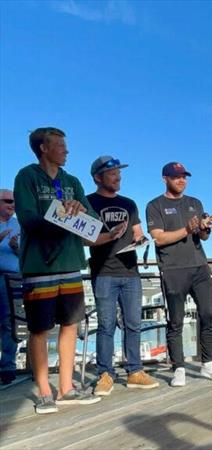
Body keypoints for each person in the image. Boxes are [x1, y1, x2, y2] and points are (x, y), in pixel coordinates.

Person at [14, 127, 102, 413]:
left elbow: (91, 219)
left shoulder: (72, 181)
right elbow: (28, 220)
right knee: (39, 329)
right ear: (43, 148)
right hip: (38, 266)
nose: (66, 150)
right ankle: (43, 391)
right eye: (61, 145)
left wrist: (77, 209)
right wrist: (60, 212)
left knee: (70, 324)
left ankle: (66, 388)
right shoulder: (26, 176)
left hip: (71, 262)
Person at [146, 162, 212, 387]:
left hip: (200, 266)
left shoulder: (195, 203)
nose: (182, 180)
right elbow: (159, 238)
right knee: (176, 321)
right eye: (176, 176)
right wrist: (186, 230)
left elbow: (204, 237)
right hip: (172, 268)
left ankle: (208, 363)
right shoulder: (155, 205)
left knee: (208, 314)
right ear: (165, 179)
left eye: (184, 177)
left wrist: (204, 227)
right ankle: (178, 367)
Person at [86, 156, 160, 396]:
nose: (118, 177)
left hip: (130, 272)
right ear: (98, 177)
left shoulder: (129, 203)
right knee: (106, 325)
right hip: (104, 272)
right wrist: (111, 236)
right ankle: (105, 374)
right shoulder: (88, 202)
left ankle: (135, 371)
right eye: (112, 173)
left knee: (134, 324)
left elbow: (138, 232)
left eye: (119, 173)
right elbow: (85, 239)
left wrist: (141, 240)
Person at [0, 188, 20, 385]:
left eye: (14, 201)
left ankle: (7, 366)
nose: (12, 204)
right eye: (7, 200)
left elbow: (26, 254)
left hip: (13, 278)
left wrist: (16, 248)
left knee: (9, 322)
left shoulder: (18, 224)